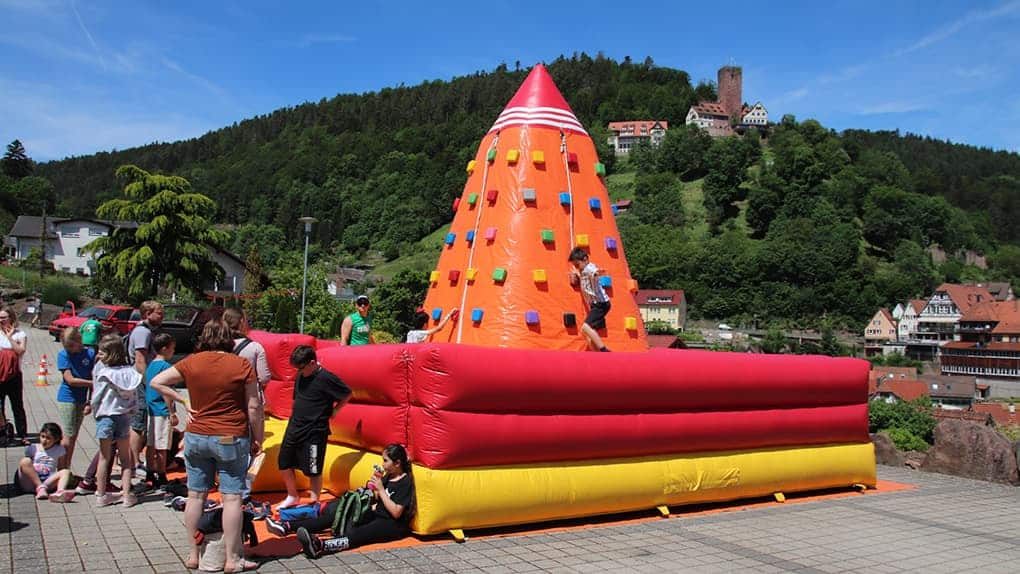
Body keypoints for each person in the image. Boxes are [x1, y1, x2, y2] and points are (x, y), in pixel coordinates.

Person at [150, 319, 263, 573]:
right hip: (230, 436)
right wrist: (258, 438)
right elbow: (254, 406)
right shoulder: (242, 365)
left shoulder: (192, 361)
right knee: (232, 497)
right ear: (229, 339)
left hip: (197, 436)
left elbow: (156, 381)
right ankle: (233, 559)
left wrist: (182, 400)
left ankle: (193, 554)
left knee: (196, 495)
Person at [286, 444, 414, 557]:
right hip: (376, 514)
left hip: (391, 524)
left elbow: (396, 512)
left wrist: (380, 490)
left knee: (358, 534)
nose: (383, 464)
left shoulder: (404, 482)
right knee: (339, 515)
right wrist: (372, 489)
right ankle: (289, 526)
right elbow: (377, 498)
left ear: (397, 463)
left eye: (386, 461)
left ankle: (319, 545)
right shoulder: (389, 477)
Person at [276, 346, 351, 510]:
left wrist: (335, 410)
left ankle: (314, 501)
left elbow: (346, 393)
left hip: (315, 430)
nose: (299, 371)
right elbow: (297, 399)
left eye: (301, 368)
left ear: (312, 362)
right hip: (295, 425)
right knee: (283, 462)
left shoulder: (326, 378)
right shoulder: (300, 375)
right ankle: (292, 495)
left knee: (313, 468)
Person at [223, 307, 270, 501]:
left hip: (225, 402)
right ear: (242, 322)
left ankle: (227, 485)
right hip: (249, 402)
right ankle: (244, 491)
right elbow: (264, 377)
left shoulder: (220, 345)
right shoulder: (255, 347)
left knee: (227, 442)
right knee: (251, 446)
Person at [92, 333, 143, 507]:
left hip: (106, 415)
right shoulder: (131, 373)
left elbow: (97, 396)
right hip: (124, 416)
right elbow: (134, 396)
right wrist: (133, 410)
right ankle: (127, 494)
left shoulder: (104, 372)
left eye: (102, 353)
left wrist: (94, 411)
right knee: (125, 458)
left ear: (111, 354)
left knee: (105, 457)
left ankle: (101, 494)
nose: (99, 356)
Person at [128, 300, 164, 476]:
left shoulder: (147, 331)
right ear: (147, 314)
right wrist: (148, 382)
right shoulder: (143, 332)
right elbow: (140, 360)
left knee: (141, 421)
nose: (162, 315)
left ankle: (134, 461)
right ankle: (134, 463)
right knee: (139, 422)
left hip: (142, 382)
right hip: (140, 383)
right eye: (158, 312)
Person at [56, 327, 95, 468]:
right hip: (67, 398)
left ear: (79, 340)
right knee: (68, 436)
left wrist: (89, 402)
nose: (71, 349)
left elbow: (93, 375)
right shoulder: (63, 355)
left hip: (81, 399)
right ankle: (62, 469)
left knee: (74, 436)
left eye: (72, 346)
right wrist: (91, 383)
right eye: (68, 347)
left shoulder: (90, 353)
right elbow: (70, 380)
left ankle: (67, 467)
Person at [144, 333, 177, 490]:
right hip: (162, 410)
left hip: (151, 409)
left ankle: (149, 472)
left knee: (151, 443)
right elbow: (166, 391)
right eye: (172, 348)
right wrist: (172, 412)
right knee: (163, 445)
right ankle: (162, 474)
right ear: (165, 348)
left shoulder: (150, 364)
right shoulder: (166, 367)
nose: (173, 351)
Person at [16, 422, 75, 502]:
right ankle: (40, 487)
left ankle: (60, 492)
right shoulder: (33, 448)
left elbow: (61, 468)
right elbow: (26, 468)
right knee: (25, 461)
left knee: (65, 472)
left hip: (47, 482)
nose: (44, 440)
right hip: (31, 482)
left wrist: (66, 478)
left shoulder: (59, 449)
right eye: (42, 436)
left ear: (56, 439)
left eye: (48, 438)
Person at [568, 247, 611, 352]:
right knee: (589, 333)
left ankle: (604, 350)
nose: (577, 268)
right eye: (575, 266)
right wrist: (577, 275)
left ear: (585, 259)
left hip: (600, 304)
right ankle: (596, 355)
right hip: (596, 305)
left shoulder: (588, 268)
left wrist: (598, 273)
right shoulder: (583, 271)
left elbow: (593, 271)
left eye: (577, 265)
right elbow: (582, 277)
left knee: (585, 328)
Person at [0, 305, 29, 446]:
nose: (1, 320)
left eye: (4, 317)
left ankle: (22, 434)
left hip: (14, 376)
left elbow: (21, 351)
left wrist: (9, 337)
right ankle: (4, 432)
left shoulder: (20, 334)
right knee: (0, 407)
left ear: (11, 318)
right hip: (0, 375)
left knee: (17, 406)